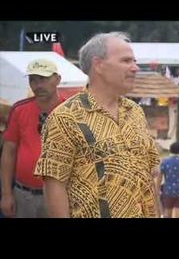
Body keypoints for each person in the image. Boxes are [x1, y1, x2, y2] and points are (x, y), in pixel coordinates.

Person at [34, 32, 161, 218]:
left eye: (134, 61)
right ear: (98, 65)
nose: (135, 68)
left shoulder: (135, 112)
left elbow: (151, 173)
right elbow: (55, 185)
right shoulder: (65, 118)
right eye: (126, 61)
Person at [1, 59, 65, 218]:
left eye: (42, 79)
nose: (37, 85)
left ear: (57, 79)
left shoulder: (73, 110)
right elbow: (9, 152)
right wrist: (7, 194)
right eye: (33, 80)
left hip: (62, 195)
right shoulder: (19, 109)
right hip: (24, 195)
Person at [156, 142, 179, 218]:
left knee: (168, 211)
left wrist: (157, 187)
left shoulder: (165, 161)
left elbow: (160, 175)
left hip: (168, 190)